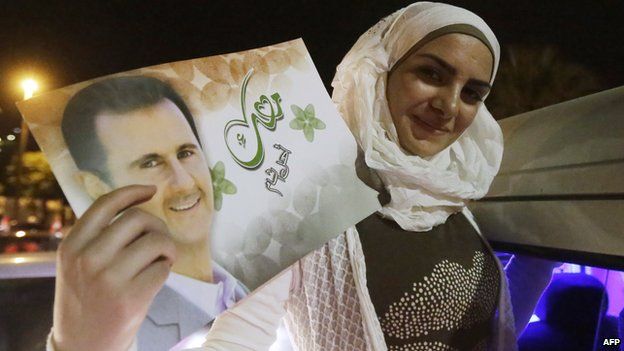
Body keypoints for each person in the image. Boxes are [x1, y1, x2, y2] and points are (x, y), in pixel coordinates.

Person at [200, 2, 556, 350]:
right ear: (379, 69)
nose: (448, 106)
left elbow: (483, 331)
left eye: (471, 93)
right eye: (432, 74)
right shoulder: (305, 197)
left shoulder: (454, 197)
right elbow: (237, 338)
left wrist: (537, 268)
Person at [49, 76, 248, 351]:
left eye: (185, 153)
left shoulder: (241, 286)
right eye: (151, 163)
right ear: (97, 187)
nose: (184, 183)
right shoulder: (118, 330)